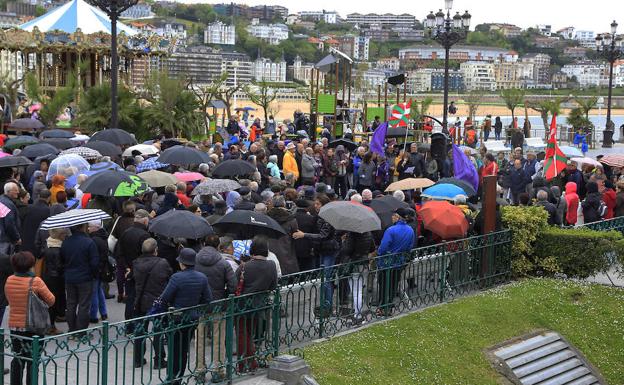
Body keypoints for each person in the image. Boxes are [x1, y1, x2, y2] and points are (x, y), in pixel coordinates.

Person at [159, 248, 212, 385]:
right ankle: (178, 377)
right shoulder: (202, 277)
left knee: (174, 350)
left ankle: (172, 378)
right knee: (183, 350)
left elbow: (164, 298)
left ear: (182, 263)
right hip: (192, 319)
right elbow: (208, 299)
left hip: (176, 318)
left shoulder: (177, 277)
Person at [5, 252, 55, 385]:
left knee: (18, 358)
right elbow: (51, 300)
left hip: (15, 327)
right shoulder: (36, 281)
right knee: (33, 361)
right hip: (34, 327)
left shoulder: (10, 279)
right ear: (30, 266)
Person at [194, 234, 236, 381]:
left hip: (200, 304)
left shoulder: (195, 260)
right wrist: (226, 296)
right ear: (218, 246)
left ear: (204, 244)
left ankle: (200, 371)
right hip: (218, 304)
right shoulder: (223, 263)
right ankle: (218, 370)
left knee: (200, 339)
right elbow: (232, 285)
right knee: (219, 338)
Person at [234, 236, 278, 372]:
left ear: (252, 249)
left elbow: (234, 285)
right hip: (260, 305)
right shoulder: (271, 265)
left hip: (242, 305)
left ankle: (245, 364)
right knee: (249, 334)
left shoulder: (244, 267)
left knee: (242, 334)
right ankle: (251, 361)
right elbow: (273, 285)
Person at [292, 195, 339, 316]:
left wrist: (304, 235)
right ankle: (325, 304)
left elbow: (323, 235)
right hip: (322, 250)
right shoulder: (320, 216)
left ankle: (327, 306)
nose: (315, 206)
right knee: (323, 279)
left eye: (318, 204)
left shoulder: (328, 217)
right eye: (315, 203)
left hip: (329, 250)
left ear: (324, 205)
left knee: (326, 279)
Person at [132, 238, 172, 369]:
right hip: (157, 302)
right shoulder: (162, 263)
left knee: (139, 330)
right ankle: (159, 360)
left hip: (140, 301)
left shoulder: (136, 263)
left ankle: (138, 359)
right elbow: (169, 277)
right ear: (155, 250)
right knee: (158, 331)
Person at [61, 223, 99, 335]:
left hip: (70, 277)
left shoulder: (66, 242)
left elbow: (62, 259)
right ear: (82, 227)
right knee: (84, 304)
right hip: (85, 278)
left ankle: (72, 329)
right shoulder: (89, 242)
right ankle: (81, 331)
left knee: (71, 303)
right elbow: (94, 263)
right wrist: (94, 275)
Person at [376, 208, 414, 316]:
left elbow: (383, 248)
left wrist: (379, 253)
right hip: (399, 262)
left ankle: (384, 307)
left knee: (383, 284)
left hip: (387, 262)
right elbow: (410, 247)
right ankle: (389, 306)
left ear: (397, 217)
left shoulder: (391, 230)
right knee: (393, 285)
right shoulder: (410, 230)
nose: (391, 217)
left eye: (393, 215)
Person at [118, 209, 151, 326]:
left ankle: (129, 325)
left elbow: (120, 253)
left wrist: (127, 268)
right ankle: (138, 326)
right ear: (145, 220)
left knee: (130, 298)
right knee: (140, 299)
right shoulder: (145, 235)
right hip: (141, 271)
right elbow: (146, 256)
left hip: (129, 271)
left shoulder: (126, 232)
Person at [87, 221, 109, 324]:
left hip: (96, 269)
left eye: (90, 227)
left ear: (95, 227)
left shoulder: (94, 240)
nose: (88, 229)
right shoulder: (103, 237)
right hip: (102, 268)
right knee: (99, 290)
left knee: (94, 292)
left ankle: (93, 315)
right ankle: (103, 313)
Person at [0, 182, 22, 255]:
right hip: (6, 240)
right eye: (15, 190)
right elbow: (9, 224)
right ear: (9, 191)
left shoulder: (2, 199)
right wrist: (16, 238)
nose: (18, 192)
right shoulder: (8, 204)